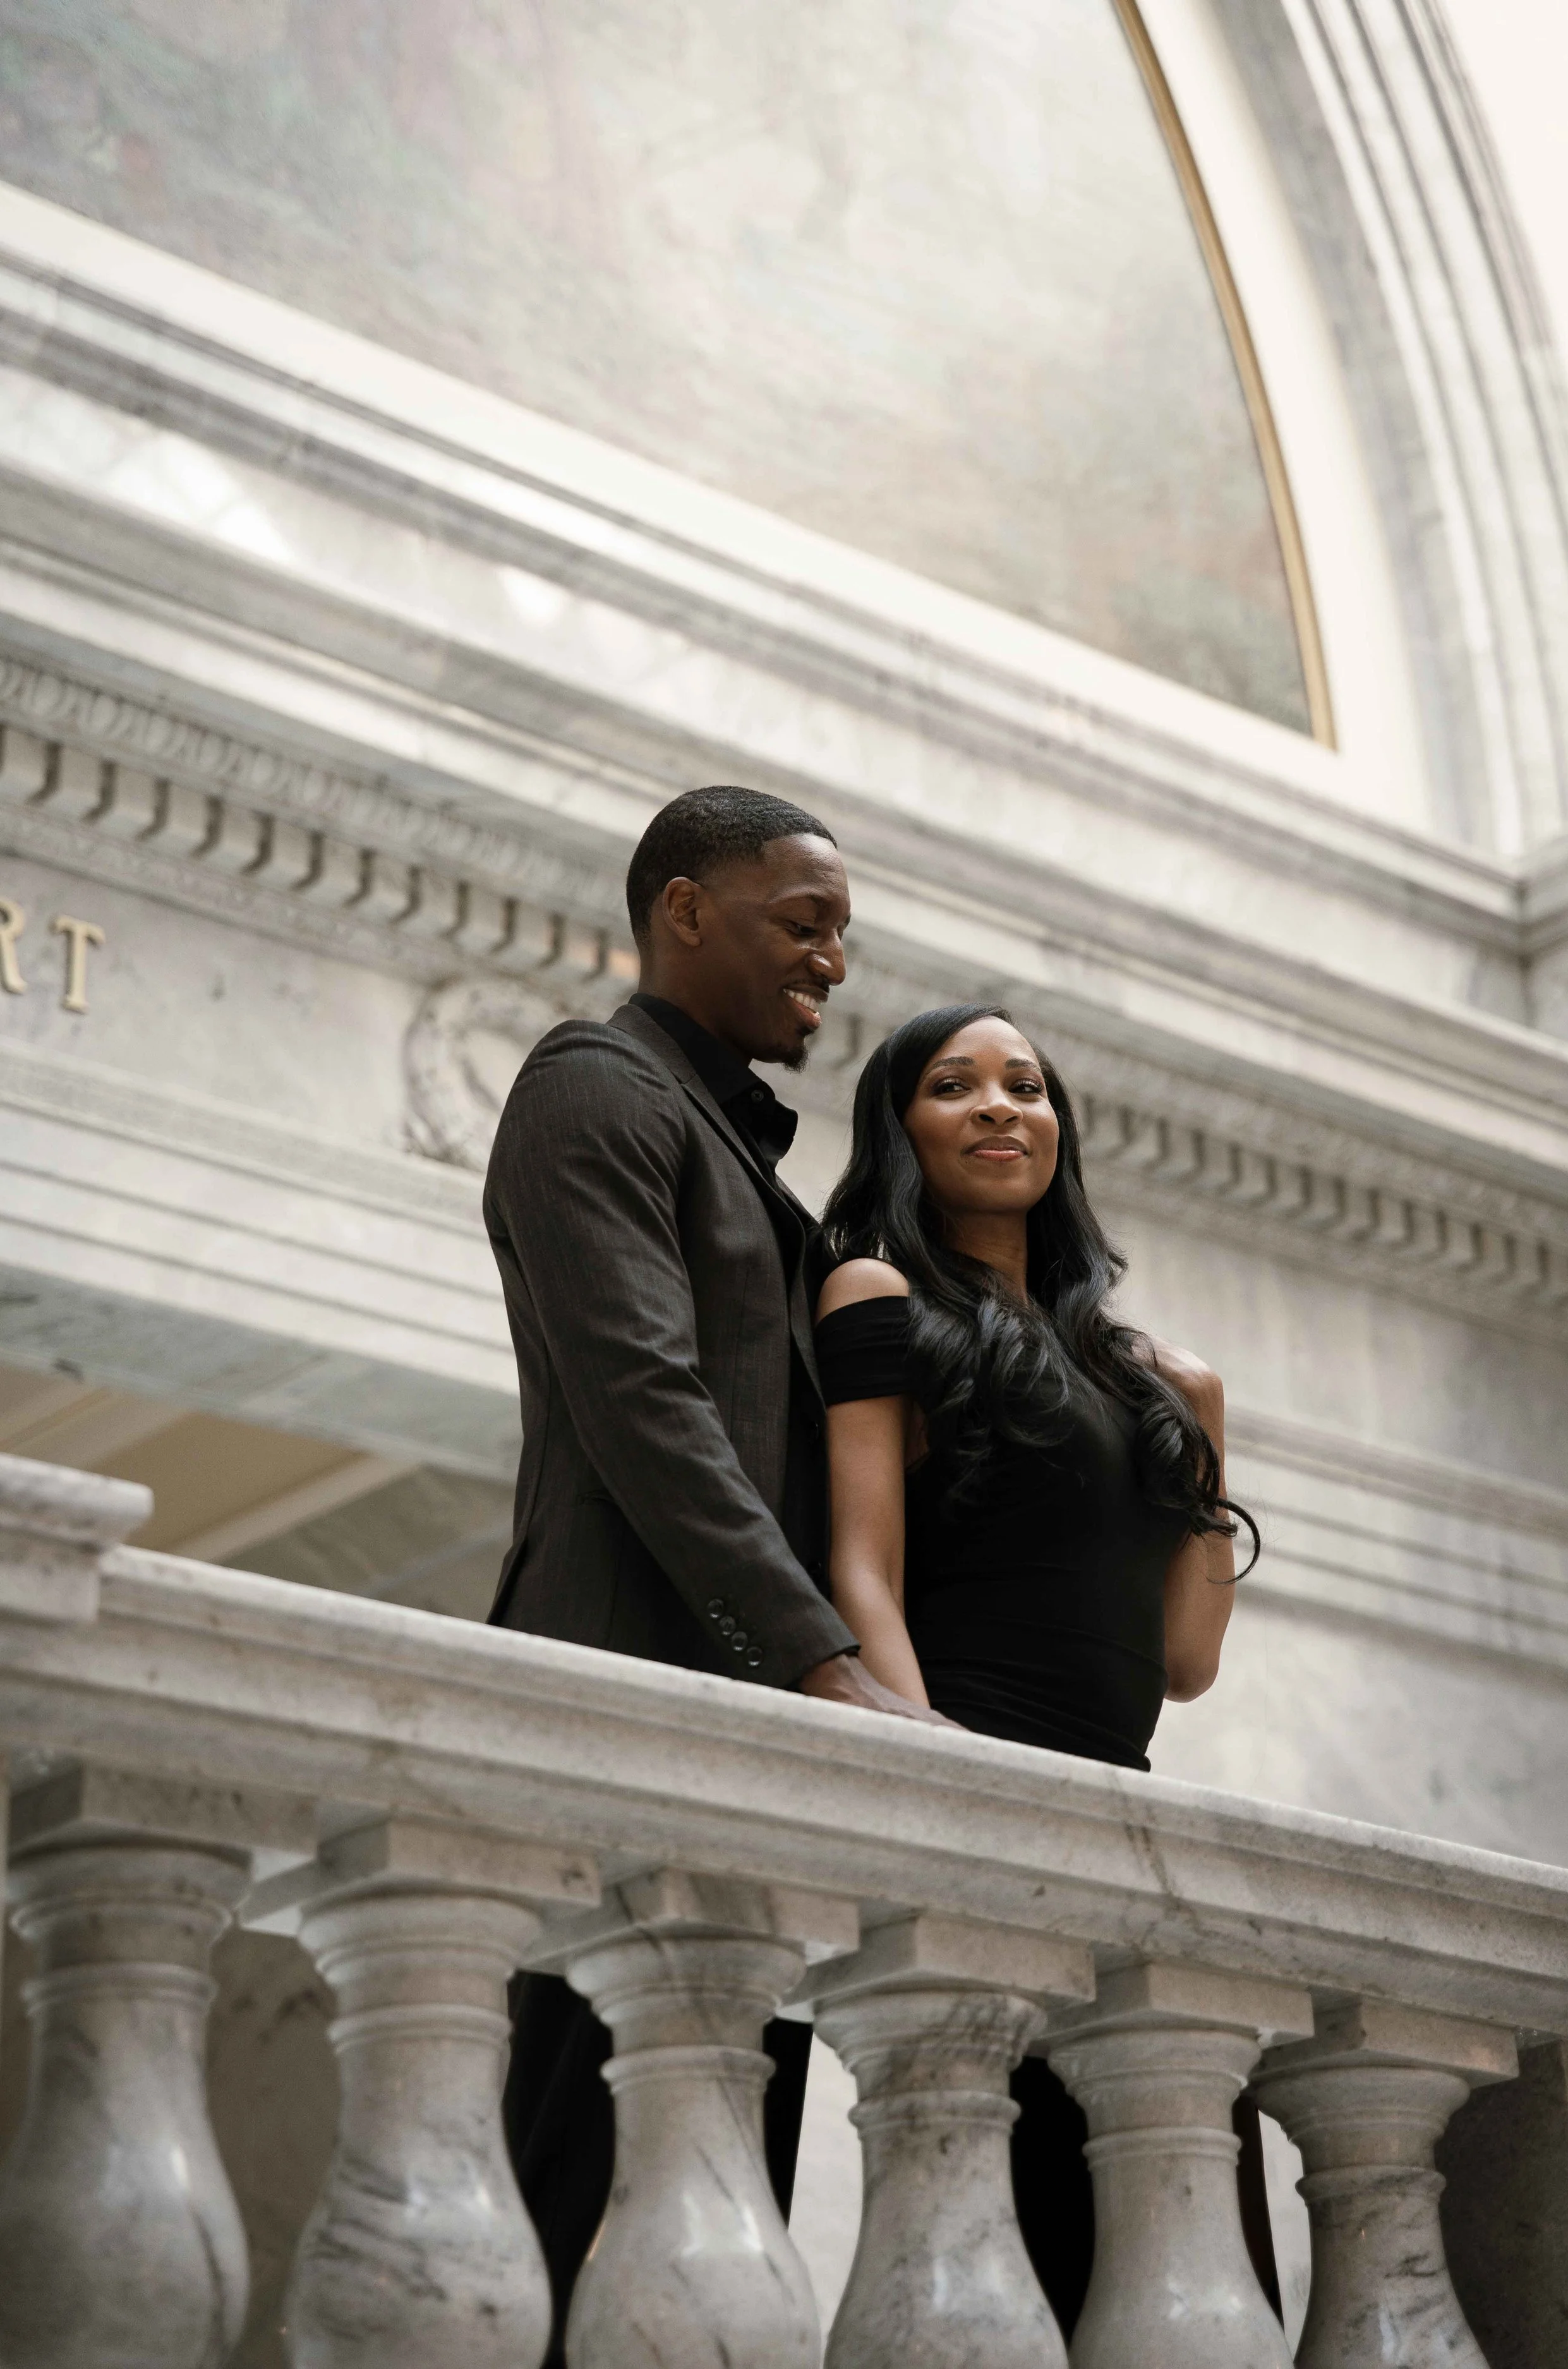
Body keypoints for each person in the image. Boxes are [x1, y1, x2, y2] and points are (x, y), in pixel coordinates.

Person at [483, 785, 946, 2366]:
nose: (830, 962)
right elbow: (645, 1407)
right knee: (581, 2212)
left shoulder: (746, 1156)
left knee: (717, 2223)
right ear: (682, 908)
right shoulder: (591, 1091)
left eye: (843, 935)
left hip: (740, 1748)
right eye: (799, 921)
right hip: (634, 1705)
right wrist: (826, 1669)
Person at [813, 1002, 1270, 2336]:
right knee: (1004, 2231)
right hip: (976, 1784)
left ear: (1058, 1131)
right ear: (902, 1133)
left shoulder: (1154, 1380)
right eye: (952, 1087)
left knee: (1179, 2237)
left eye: (1023, 1085)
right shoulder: (876, 1297)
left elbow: (1183, 1664)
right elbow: (860, 1570)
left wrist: (1198, 1437)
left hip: (1125, 1822)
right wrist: (937, 1778)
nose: (997, 1106)